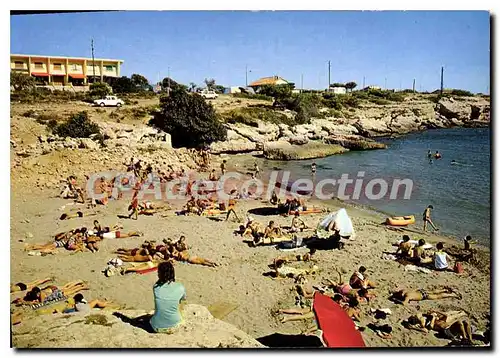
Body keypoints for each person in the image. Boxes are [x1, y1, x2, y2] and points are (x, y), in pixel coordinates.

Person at [149, 261, 187, 333]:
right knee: (180, 302)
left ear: (159, 275)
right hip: (175, 325)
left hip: (156, 327)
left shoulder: (156, 288)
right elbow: (183, 300)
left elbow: (158, 283)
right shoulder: (180, 287)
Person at [406, 309, 472, 343]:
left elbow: (446, 315)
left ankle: (470, 340)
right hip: (446, 331)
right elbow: (429, 328)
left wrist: (437, 311)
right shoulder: (431, 322)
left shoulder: (440, 320)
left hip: (451, 329)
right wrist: (433, 317)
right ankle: (465, 339)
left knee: (466, 322)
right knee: (459, 322)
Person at [391, 287, 461, 305]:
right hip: (420, 291)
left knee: (438, 296)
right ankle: (444, 290)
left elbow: (404, 303)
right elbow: (416, 289)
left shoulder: (407, 297)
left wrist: (396, 300)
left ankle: (454, 295)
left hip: (423, 296)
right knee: (433, 291)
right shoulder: (406, 291)